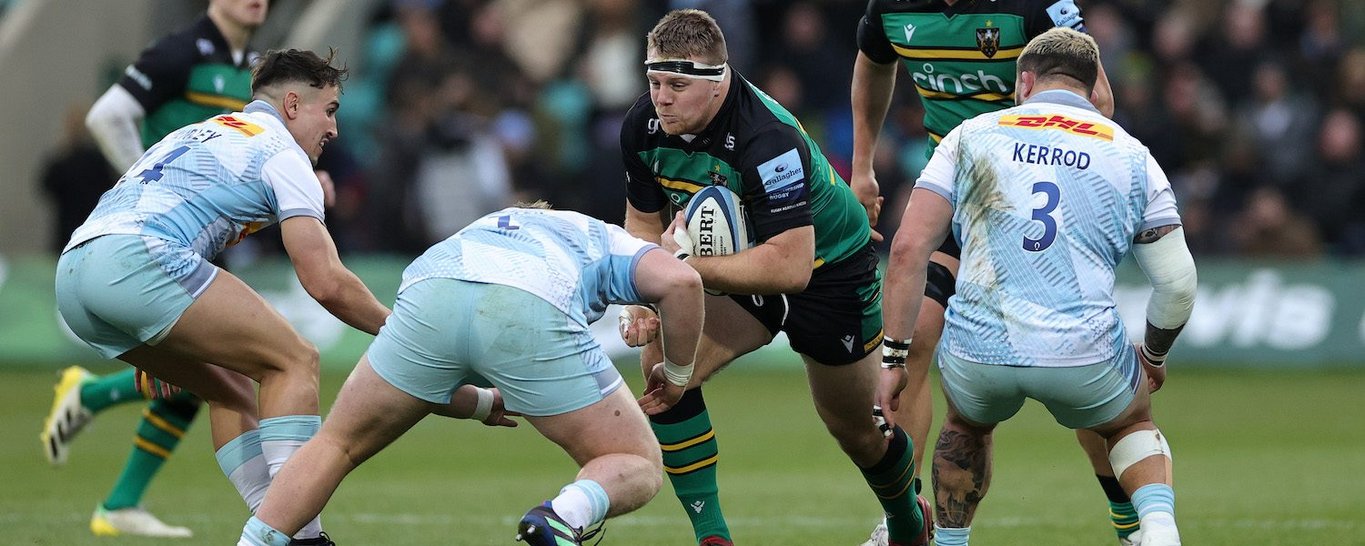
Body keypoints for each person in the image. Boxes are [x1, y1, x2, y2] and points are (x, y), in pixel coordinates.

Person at [618, 9, 930, 546]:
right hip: (740, 267)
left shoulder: (766, 137)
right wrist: (644, 296)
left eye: (675, 84)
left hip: (828, 271)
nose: (660, 98)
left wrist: (679, 269)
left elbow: (789, 265)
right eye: (654, 82)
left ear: (718, 84)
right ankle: (712, 537)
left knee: (856, 430)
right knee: (665, 371)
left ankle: (907, 518)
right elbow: (644, 222)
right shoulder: (644, 125)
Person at [54, 48, 388, 546]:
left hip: (76, 272)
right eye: (331, 110)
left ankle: (284, 528)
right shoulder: (282, 153)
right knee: (294, 361)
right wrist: (406, 330)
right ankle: (297, 535)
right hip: (139, 258)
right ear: (293, 105)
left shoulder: (203, 130)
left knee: (228, 386)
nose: (335, 128)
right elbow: (326, 283)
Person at [879, 27, 1195, 546]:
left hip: (981, 350)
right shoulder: (1132, 154)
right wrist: (1154, 356)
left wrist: (893, 360)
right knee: (1128, 422)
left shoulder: (970, 136)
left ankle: (953, 544)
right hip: (1082, 352)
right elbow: (1178, 283)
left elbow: (908, 250)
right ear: (1094, 91)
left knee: (965, 426)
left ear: (1024, 82)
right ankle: (1157, 529)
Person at [238, 204, 705, 546]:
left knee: (335, 444)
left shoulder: (485, 224)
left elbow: (424, 384)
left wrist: (482, 403)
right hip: (530, 301)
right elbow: (682, 282)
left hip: (430, 288)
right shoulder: (600, 234)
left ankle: (254, 543)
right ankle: (562, 517)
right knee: (635, 461)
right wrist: (678, 374)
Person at [41, 0, 268, 538]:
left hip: (208, 234)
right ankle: (108, 452)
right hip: (159, 234)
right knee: (216, 370)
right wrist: (148, 182)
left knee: (198, 375)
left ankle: (116, 484)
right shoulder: (180, 51)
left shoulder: (258, 64)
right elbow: (106, 115)